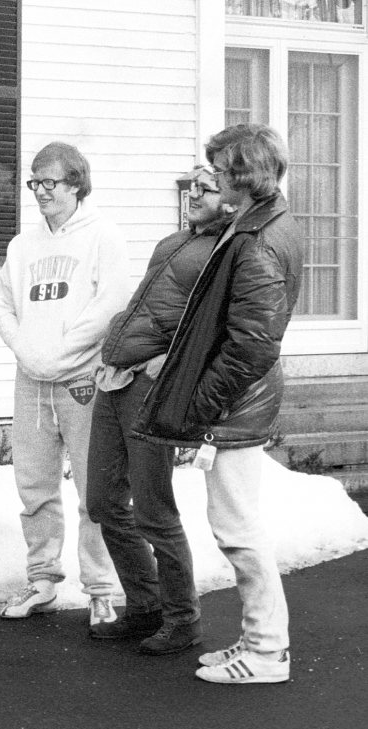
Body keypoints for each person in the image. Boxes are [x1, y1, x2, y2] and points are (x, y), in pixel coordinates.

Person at [133, 124, 302, 684]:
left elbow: (252, 344)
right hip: (237, 403)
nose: (213, 177)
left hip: (236, 405)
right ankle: (259, 641)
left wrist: (200, 407)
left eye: (223, 169)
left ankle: (266, 651)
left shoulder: (257, 239)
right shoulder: (260, 224)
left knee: (238, 528)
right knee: (238, 524)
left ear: (245, 175)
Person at [86, 166, 233, 654]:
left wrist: (165, 363)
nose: (193, 193)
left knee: (153, 509)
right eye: (191, 185)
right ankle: (145, 606)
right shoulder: (174, 242)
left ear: (230, 198)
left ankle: (182, 617)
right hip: (117, 380)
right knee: (104, 501)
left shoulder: (226, 251)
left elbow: (219, 328)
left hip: (151, 388)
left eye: (205, 188)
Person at [0, 141, 129, 626]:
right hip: (31, 381)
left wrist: (60, 354)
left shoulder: (102, 236)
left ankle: (101, 589)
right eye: (35, 181)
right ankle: (43, 578)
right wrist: (28, 353)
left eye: (51, 182)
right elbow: (3, 306)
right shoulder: (22, 245)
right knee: (34, 486)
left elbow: (110, 307)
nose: (41, 191)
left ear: (76, 182)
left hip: (82, 382)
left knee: (95, 490)